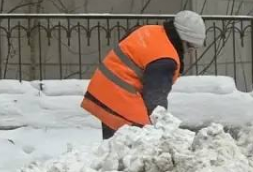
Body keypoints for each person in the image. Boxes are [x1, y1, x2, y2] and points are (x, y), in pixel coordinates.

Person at [82, 10, 207, 139]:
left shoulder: (150, 30)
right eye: (191, 48)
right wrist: (162, 128)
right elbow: (155, 100)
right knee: (142, 138)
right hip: (120, 95)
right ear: (183, 41)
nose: (190, 53)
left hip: (104, 88)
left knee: (116, 147)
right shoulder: (165, 59)